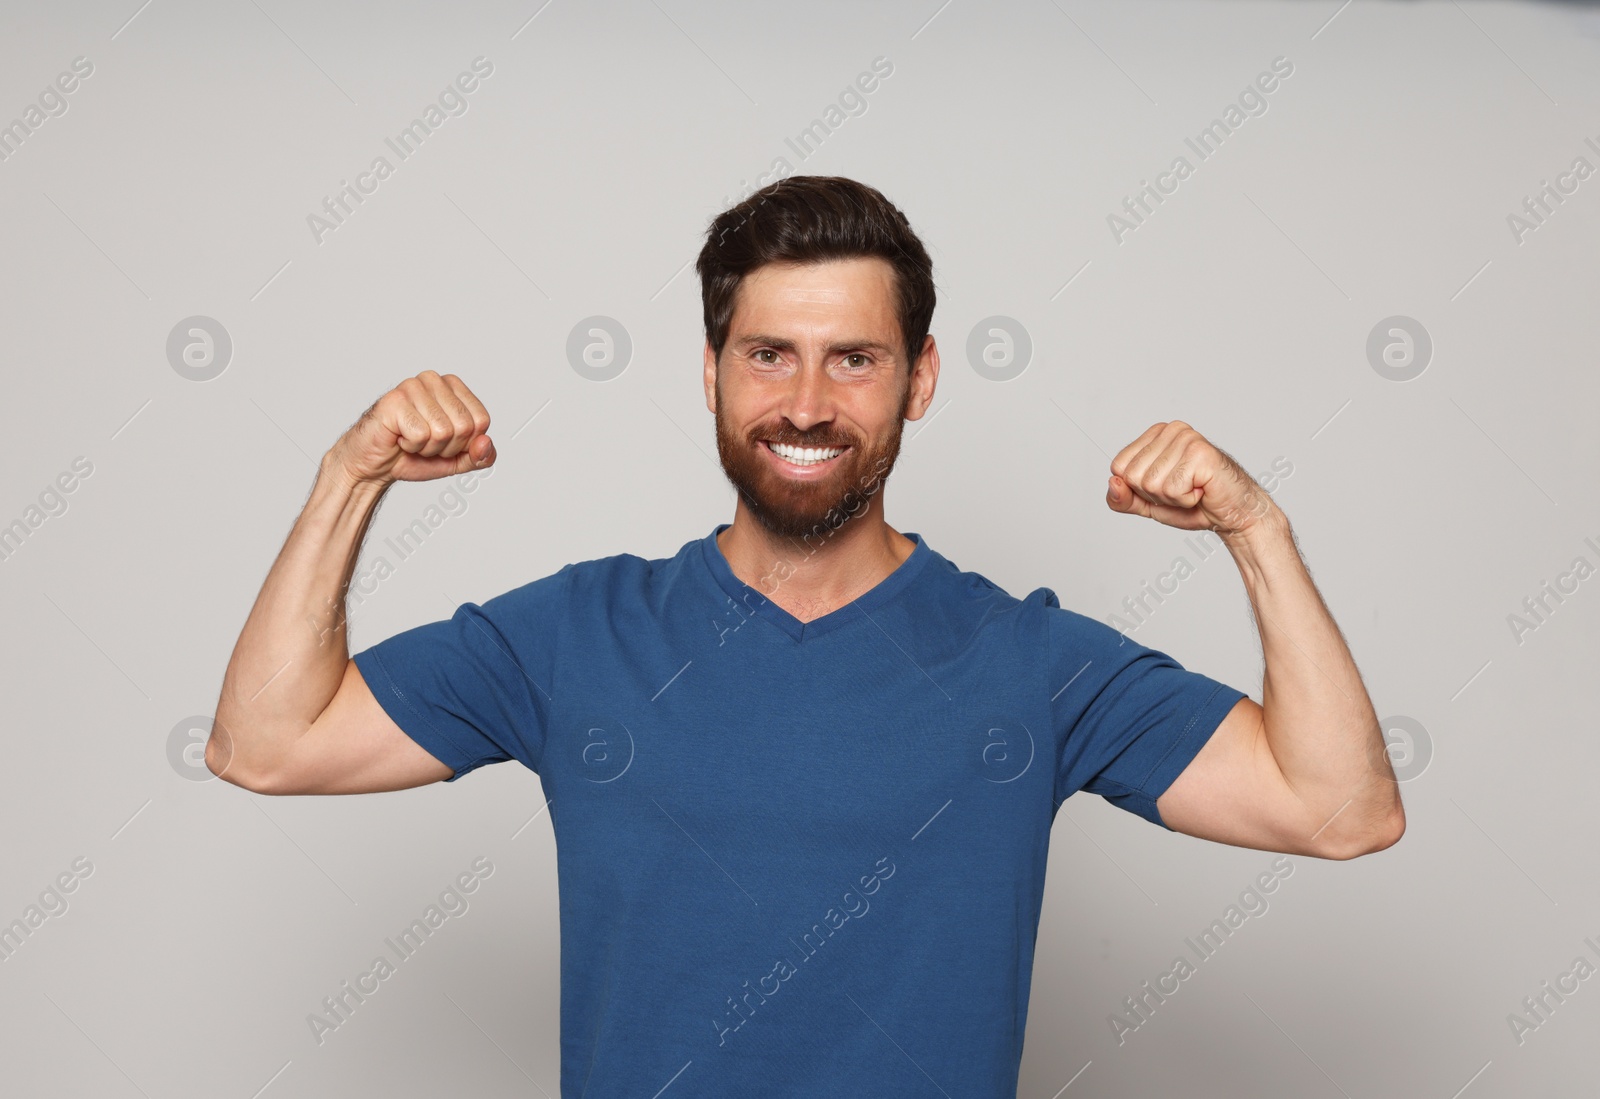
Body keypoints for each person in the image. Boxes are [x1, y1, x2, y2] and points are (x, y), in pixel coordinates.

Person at [207, 175, 1404, 1097]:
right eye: (768, 354)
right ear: (714, 371)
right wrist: (347, 477)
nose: (808, 403)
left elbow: (1338, 810)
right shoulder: (576, 631)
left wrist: (1257, 528)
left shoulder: (1032, 663)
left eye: (856, 360)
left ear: (919, 378)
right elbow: (266, 744)